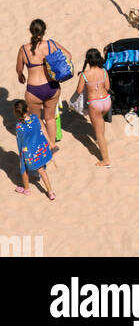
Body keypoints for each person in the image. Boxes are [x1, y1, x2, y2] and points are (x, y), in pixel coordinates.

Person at [16, 19, 72, 151]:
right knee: (50, 118)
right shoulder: (51, 44)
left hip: (33, 90)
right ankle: (52, 145)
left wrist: (21, 76)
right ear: (44, 31)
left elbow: (19, 69)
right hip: (52, 87)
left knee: (37, 120)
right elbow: (68, 56)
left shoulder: (23, 49)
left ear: (30, 31)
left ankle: (45, 144)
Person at [73, 49, 112, 168]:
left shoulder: (85, 74)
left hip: (94, 103)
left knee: (98, 133)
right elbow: (107, 87)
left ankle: (105, 160)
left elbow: (79, 91)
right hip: (106, 100)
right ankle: (101, 141)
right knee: (100, 124)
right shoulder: (104, 71)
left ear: (88, 60)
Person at [14, 101, 55, 200]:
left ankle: (27, 189)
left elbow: (20, 142)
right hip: (40, 150)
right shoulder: (35, 118)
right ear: (27, 108)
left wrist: (21, 155)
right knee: (42, 171)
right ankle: (50, 192)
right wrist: (50, 142)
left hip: (29, 153)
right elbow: (44, 130)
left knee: (24, 168)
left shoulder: (19, 126)